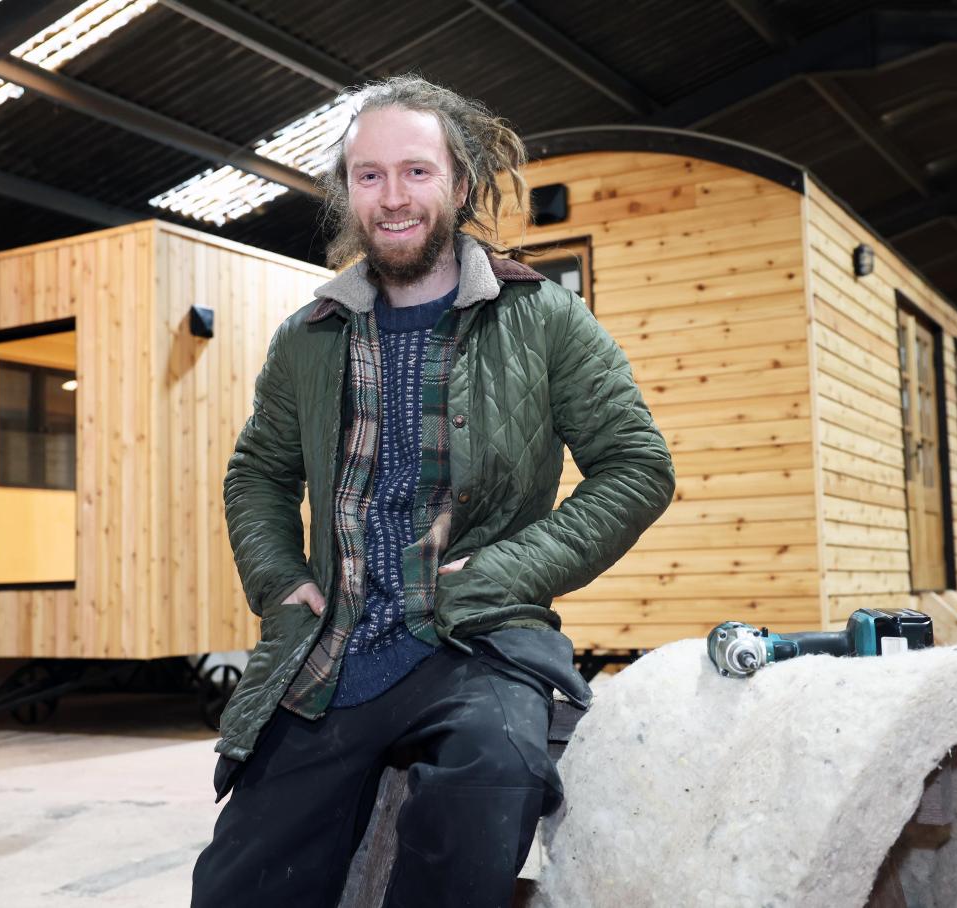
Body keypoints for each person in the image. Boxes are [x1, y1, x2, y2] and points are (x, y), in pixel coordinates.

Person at [190, 75, 674, 908]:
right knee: (242, 882)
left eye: (416, 171)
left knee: (495, 775)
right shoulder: (307, 337)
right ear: (347, 191)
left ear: (459, 181)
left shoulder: (543, 318)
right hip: (333, 648)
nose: (393, 197)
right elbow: (257, 473)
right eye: (369, 175)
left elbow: (637, 465)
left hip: (476, 640)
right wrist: (278, 580)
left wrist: (508, 570)